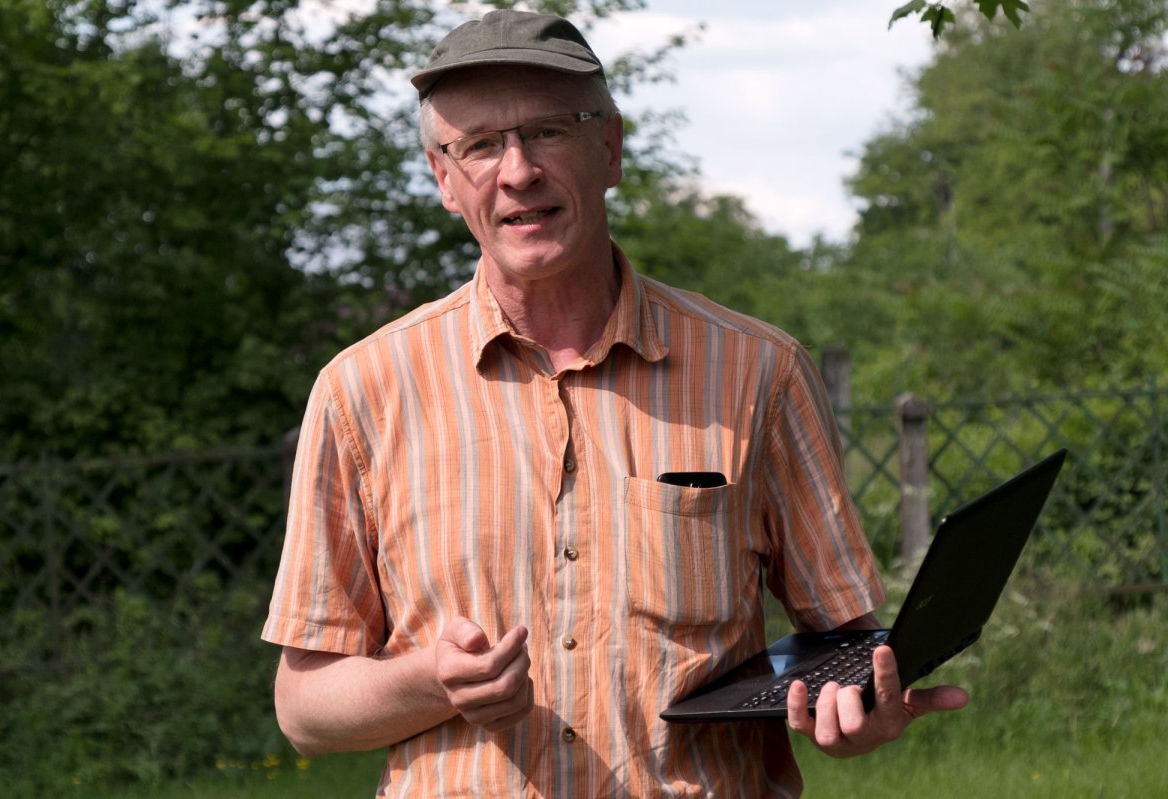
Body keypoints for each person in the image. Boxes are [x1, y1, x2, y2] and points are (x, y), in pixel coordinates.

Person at [262, 9, 968, 797]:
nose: (518, 170)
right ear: (444, 180)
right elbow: (304, 708)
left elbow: (844, 644)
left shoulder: (757, 371)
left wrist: (859, 708)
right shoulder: (364, 392)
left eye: (549, 132)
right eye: (481, 145)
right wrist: (431, 680)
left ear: (611, 149)